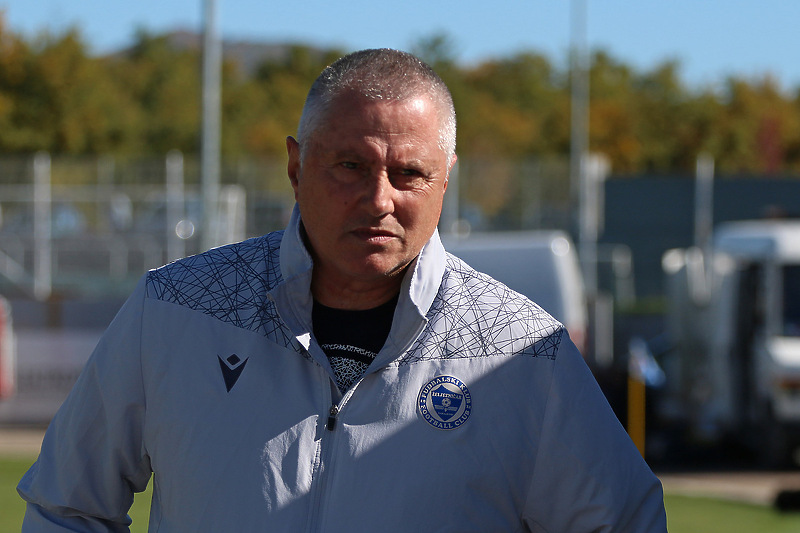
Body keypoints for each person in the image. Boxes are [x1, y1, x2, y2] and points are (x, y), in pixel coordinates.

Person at [18, 48, 667, 532]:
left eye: (409, 173)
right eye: (351, 165)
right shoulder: (177, 308)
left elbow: (626, 521)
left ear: (447, 182)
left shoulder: (524, 352)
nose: (379, 199)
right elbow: (65, 505)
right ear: (297, 166)